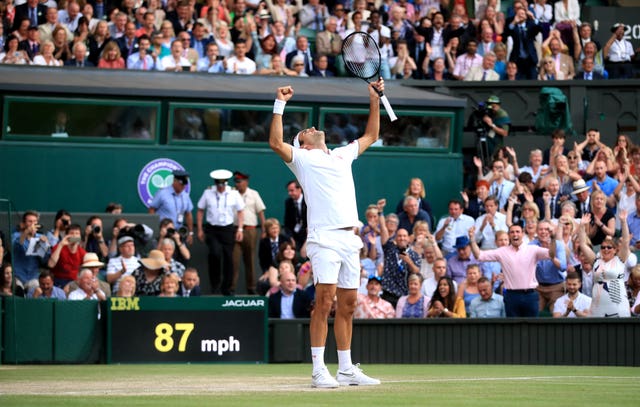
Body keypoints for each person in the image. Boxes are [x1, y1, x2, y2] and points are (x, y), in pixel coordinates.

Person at [269, 80, 383, 387]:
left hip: (350, 238)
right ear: (303, 145)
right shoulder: (303, 160)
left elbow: (372, 134)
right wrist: (280, 104)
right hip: (324, 239)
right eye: (304, 131)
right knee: (324, 301)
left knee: (347, 305)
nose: (311, 127)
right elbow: (276, 144)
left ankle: (345, 369)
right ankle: (319, 370)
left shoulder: (343, 154)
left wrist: (373, 98)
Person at [469, 223, 554, 317]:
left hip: (530, 295)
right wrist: (472, 239)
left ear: (523, 234)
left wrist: (554, 237)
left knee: (533, 328)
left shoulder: (533, 250)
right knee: (513, 329)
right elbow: (479, 256)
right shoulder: (502, 251)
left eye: (518, 232)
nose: (515, 234)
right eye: (512, 232)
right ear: (509, 235)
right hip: (511, 296)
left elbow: (552, 254)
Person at [197, 168, 245, 295]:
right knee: (215, 254)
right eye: (218, 184)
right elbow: (200, 210)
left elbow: (241, 211)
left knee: (229, 258)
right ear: (215, 183)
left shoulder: (233, 193)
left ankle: (227, 288)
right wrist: (200, 229)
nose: (221, 187)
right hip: (212, 229)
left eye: (223, 184)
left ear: (227, 183)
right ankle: (215, 285)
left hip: (228, 229)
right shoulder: (208, 193)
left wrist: (240, 228)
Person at [580, 212, 632, 317]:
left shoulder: (619, 260)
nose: (606, 249)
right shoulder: (596, 261)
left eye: (609, 247)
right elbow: (582, 245)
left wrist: (623, 221)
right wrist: (582, 226)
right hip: (598, 308)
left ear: (615, 250)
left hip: (618, 308)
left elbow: (626, 241)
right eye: (603, 247)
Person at [231, 171, 266, 295]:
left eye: (239, 181)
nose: (237, 184)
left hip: (251, 230)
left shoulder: (253, 194)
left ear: (246, 182)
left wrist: (264, 229)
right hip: (235, 230)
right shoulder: (231, 193)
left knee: (250, 260)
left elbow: (260, 212)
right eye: (236, 182)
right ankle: (231, 288)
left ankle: (251, 288)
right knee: (234, 261)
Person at [148, 169, 194, 239]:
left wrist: (190, 232)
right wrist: (155, 229)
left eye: (185, 184)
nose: (183, 186)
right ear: (174, 181)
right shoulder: (162, 193)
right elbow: (152, 210)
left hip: (179, 233)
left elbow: (188, 214)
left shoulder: (185, 196)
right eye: (181, 184)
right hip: (164, 232)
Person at [47, 224, 86, 288]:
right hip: (58, 281)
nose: (74, 236)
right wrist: (61, 245)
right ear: (66, 235)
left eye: (77, 233)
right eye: (72, 233)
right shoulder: (58, 247)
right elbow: (51, 265)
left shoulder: (82, 252)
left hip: (74, 282)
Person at [283, 180, 307, 249]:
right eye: (288, 191)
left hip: (307, 235)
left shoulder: (307, 201)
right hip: (295, 236)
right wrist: (290, 237)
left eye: (292, 190)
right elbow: (287, 223)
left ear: (299, 189)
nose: (289, 193)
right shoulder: (288, 202)